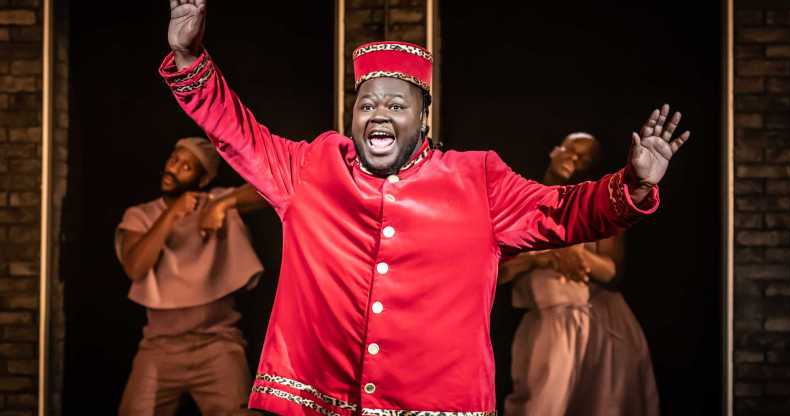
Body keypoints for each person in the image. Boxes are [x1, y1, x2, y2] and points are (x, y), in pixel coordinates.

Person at [159, 1, 691, 414]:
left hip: (436, 407)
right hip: (315, 403)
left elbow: (564, 212)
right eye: (366, 103)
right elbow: (236, 134)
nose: (378, 114)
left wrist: (633, 184)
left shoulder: (477, 178)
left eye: (396, 104)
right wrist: (189, 59)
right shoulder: (314, 166)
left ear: (424, 118)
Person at [499, 133, 659, 416]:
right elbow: (498, 273)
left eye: (584, 158)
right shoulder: (520, 203)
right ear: (554, 150)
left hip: (595, 320)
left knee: (603, 406)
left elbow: (612, 271)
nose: (574, 158)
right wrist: (547, 256)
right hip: (544, 320)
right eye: (571, 149)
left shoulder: (596, 208)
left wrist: (579, 254)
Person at [115, 137, 267, 415]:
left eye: (187, 167)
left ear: (201, 179)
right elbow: (135, 267)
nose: (175, 168)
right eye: (174, 160)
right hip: (160, 347)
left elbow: (269, 190)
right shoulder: (140, 215)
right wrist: (171, 214)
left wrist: (223, 205)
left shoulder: (214, 201)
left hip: (218, 344)